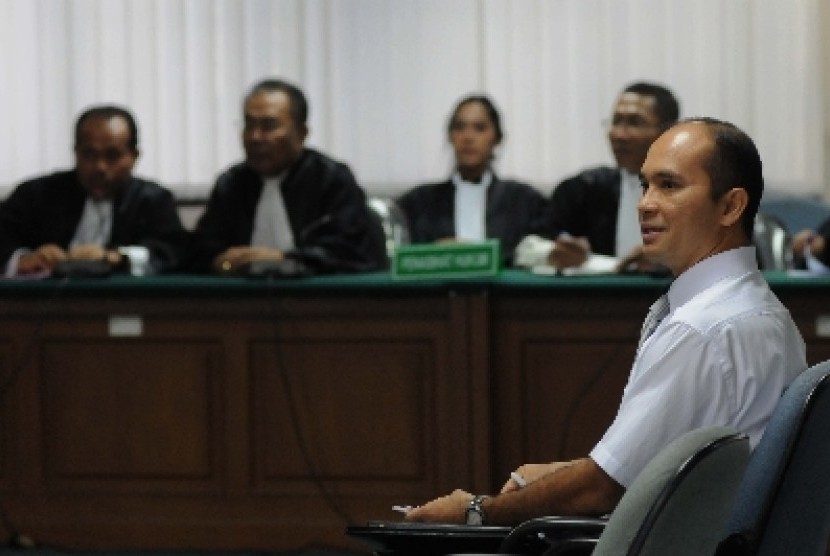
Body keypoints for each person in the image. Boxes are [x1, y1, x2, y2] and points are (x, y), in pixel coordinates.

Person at [405, 117, 807, 526]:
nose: (645, 203)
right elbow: (639, 463)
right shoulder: (762, 309)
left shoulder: (700, 329)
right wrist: (561, 474)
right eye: (645, 184)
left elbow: (599, 490)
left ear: (730, 206)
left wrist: (476, 512)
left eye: (669, 186)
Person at [189, 78, 386, 275]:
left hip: (320, 301)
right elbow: (203, 250)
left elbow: (348, 252)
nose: (255, 137)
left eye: (269, 126)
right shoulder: (232, 184)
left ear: (301, 133)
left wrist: (287, 259)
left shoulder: (331, 180)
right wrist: (222, 262)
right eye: (249, 125)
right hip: (241, 303)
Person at [0, 105, 187, 277]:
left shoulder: (153, 199)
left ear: (134, 156)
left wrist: (117, 257)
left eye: (112, 156)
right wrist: (22, 259)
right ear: (76, 152)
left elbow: (174, 252)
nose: (100, 167)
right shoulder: (37, 194)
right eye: (89, 154)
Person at [515, 82, 679, 273]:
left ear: (668, 132)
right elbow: (524, 248)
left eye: (634, 123)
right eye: (616, 121)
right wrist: (552, 252)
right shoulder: (585, 188)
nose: (619, 134)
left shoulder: (693, 192)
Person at [397, 95, 549, 266]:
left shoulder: (524, 201)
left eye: (479, 128)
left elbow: (538, 254)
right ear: (450, 136)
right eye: (460, 127)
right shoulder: (418, 203)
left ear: (497, 138)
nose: (468, 137)